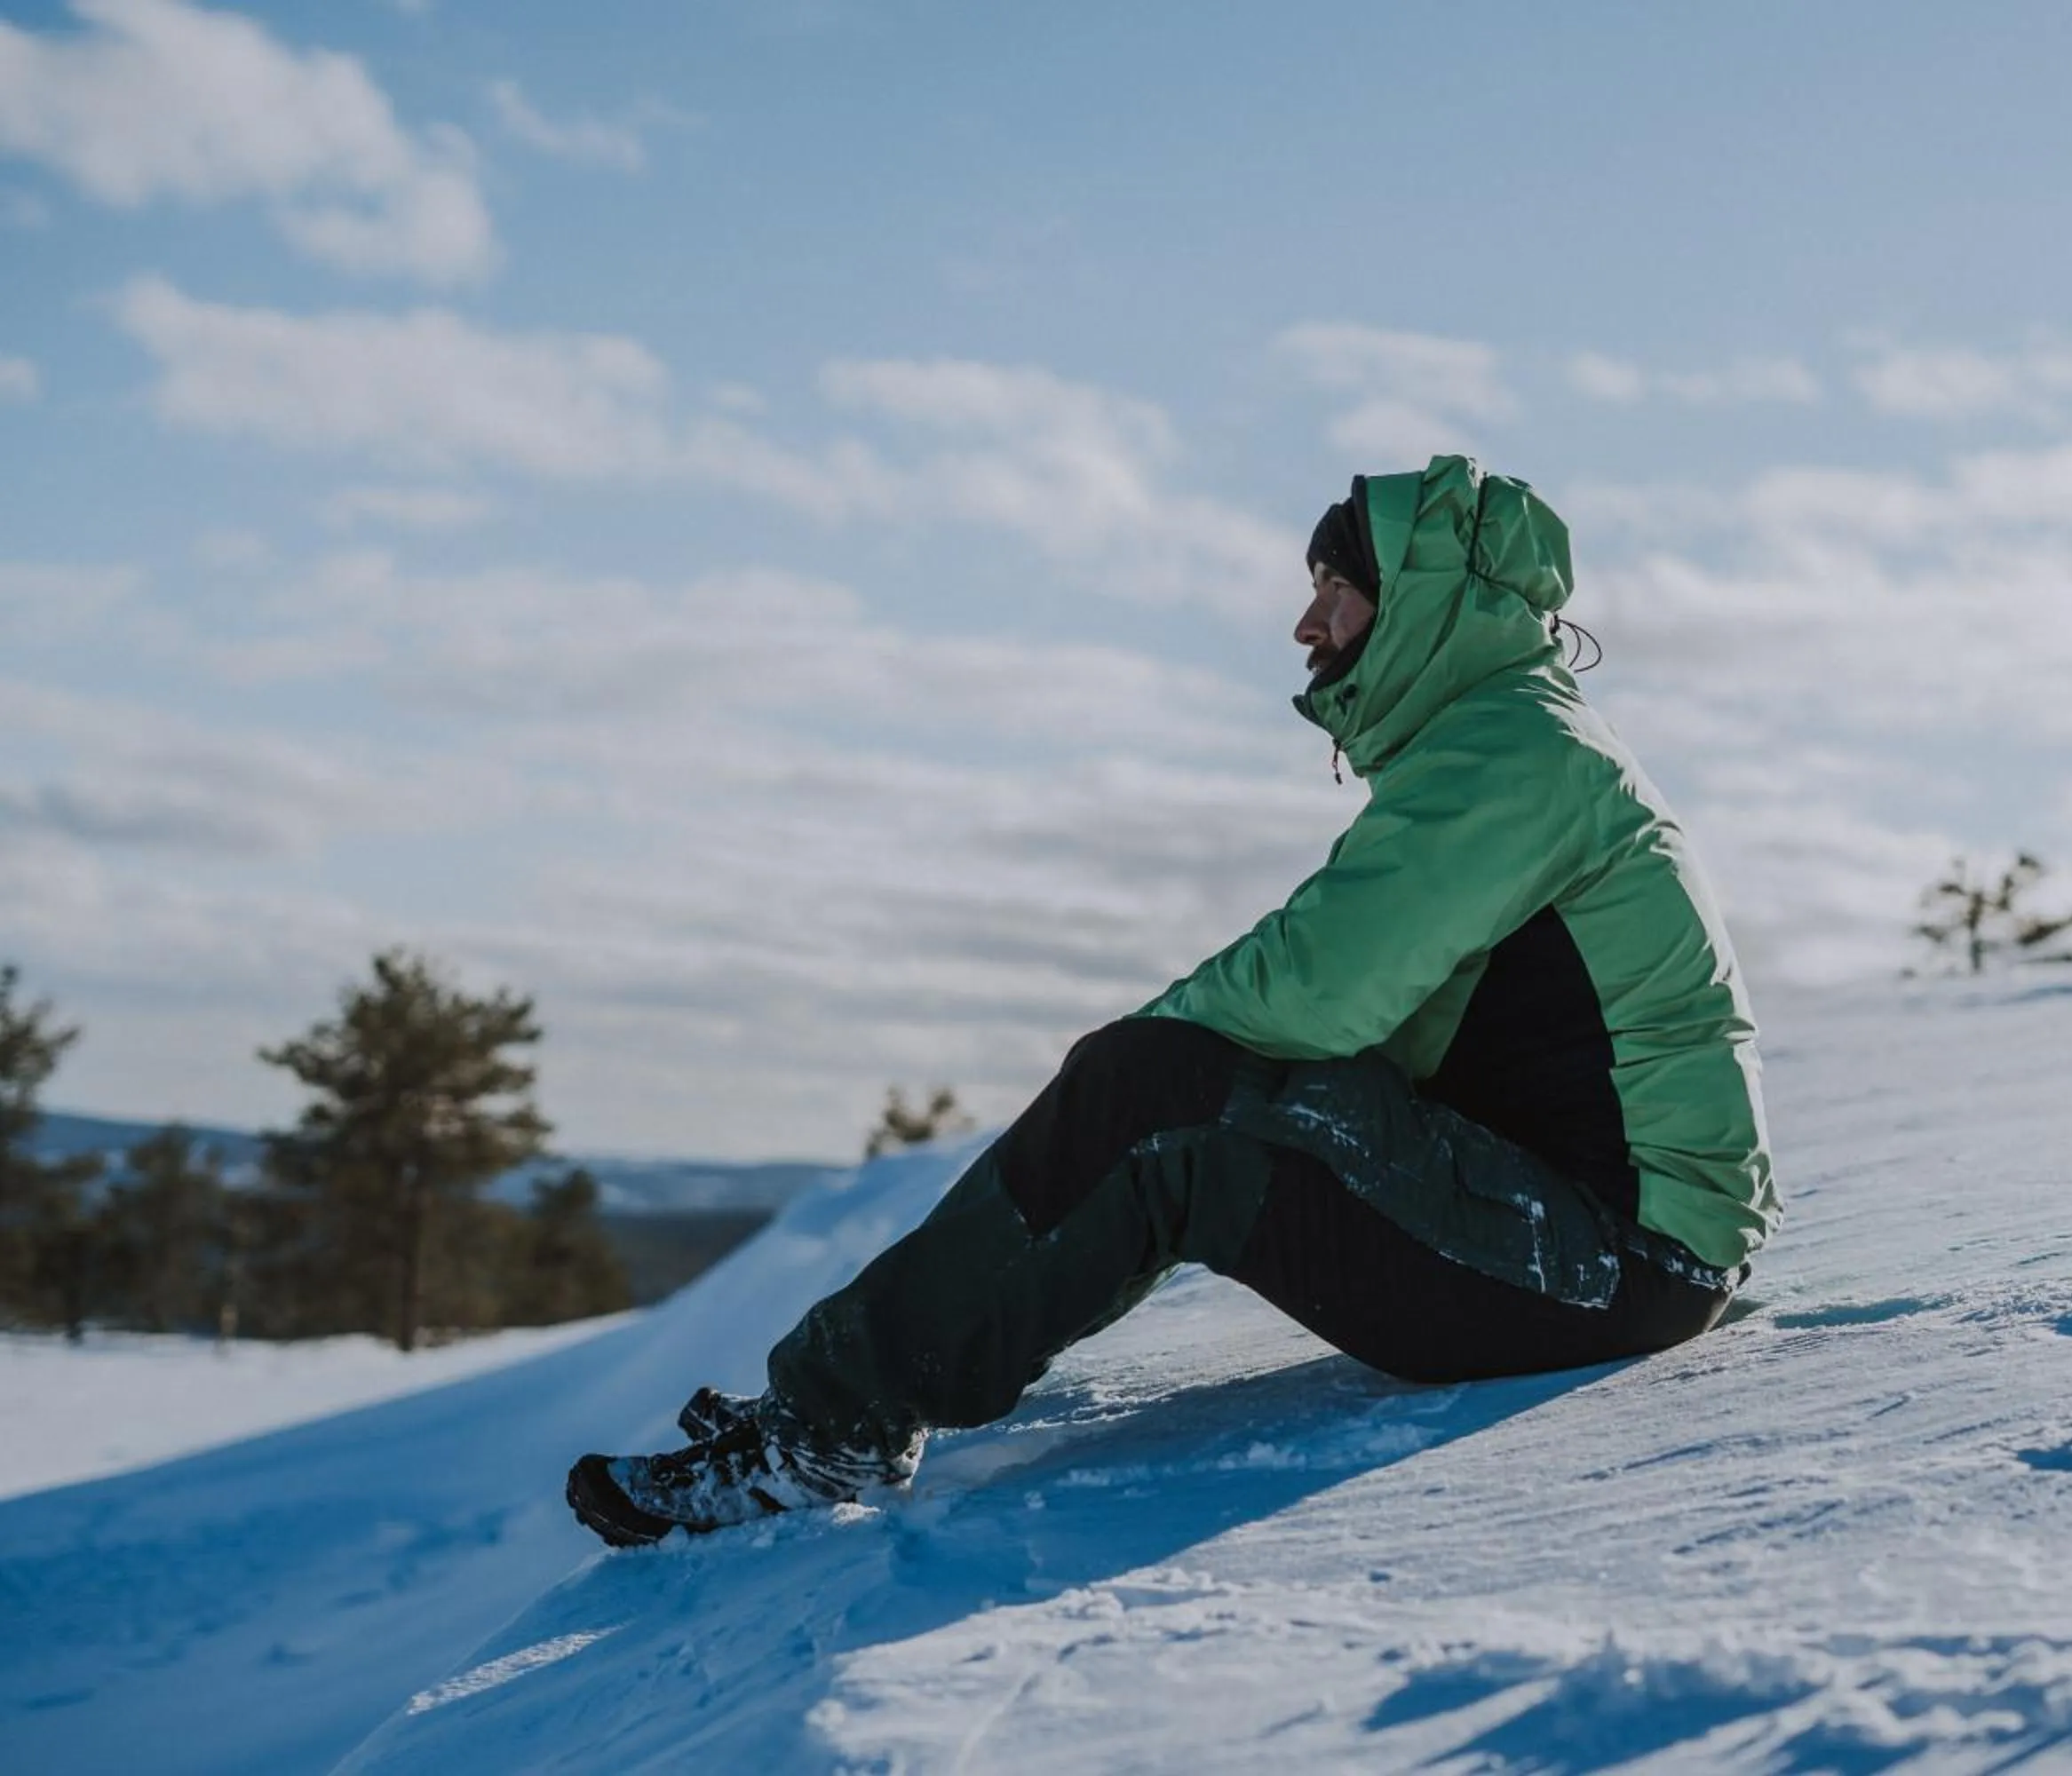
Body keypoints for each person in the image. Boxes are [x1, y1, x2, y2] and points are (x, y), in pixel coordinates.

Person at [567, 456, 1777, 1547]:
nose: (1308, 624)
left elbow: (1316, 990)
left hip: (1609, 1258)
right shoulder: (1516, 744)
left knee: (1161, 1093)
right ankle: (872, 1377)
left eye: (1338, 591)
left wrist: (1136, 1064)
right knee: (1167, 1090)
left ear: (1418, 608)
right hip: (1591, 1237)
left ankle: (832, 1419)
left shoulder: (1517, 759)